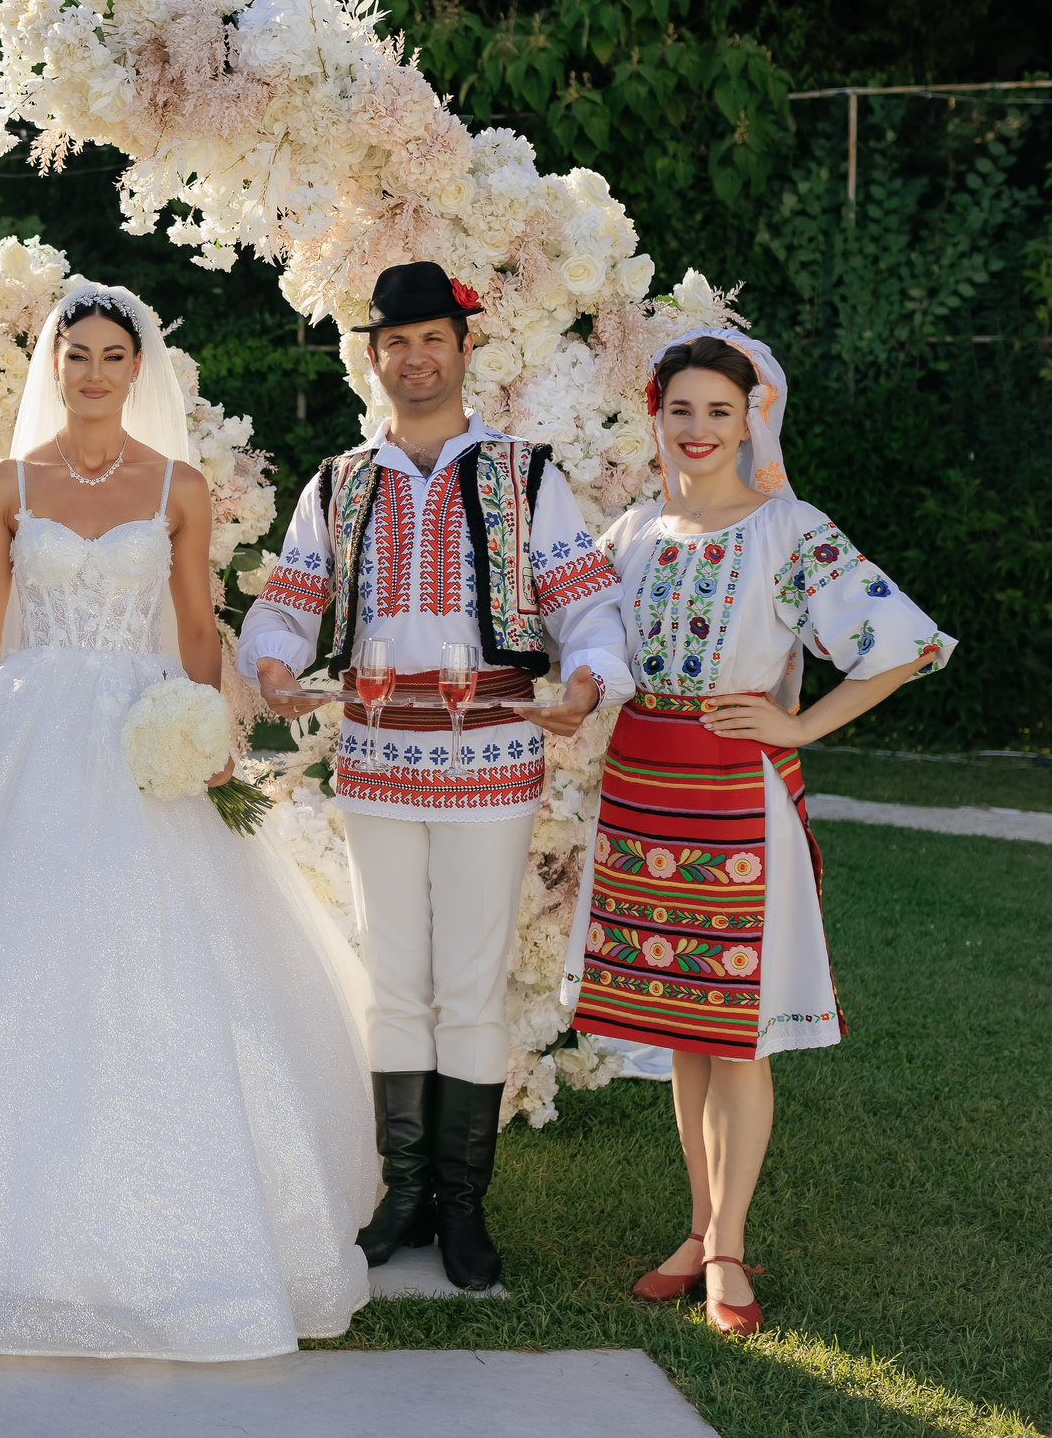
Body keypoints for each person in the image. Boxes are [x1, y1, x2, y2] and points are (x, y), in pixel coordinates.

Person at [0, 284, 379, 1361]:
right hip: (23, 733)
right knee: (9, 959)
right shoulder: (4, 484)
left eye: (111, 354)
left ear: (137, 368)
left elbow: (196, 622)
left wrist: (210, 729)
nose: (91, 371)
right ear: (53, 364)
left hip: (141, 729)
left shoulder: (178, 485)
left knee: (158, 962)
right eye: (74, 353)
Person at [237, 259, 632, 1293]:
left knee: (467, 982)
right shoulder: (340, 480)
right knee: (393, 980)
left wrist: (586, 686)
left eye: (432, 340)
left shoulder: (522, 474)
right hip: (374, 752)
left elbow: (587, 607)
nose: (414, 358)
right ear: (373, 359)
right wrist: (272, 659)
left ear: (463, 351)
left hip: (493, 750)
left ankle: (462, 1207)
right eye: (395, 342)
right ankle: (401, 1193)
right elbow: (287, 599)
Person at [560, 327, 950, 1336]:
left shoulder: (789, 529)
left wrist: (801, 722)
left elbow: (901, 643)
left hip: (738, 791)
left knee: (735, 1038)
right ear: (657, 416)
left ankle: (727, 1244)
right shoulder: (633, 532)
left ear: (750, 421)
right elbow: (577, 643)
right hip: (643, 791)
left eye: (717, 413)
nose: (696, 430)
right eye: (680, 409)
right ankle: (695, 1229)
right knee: (684, 1032)